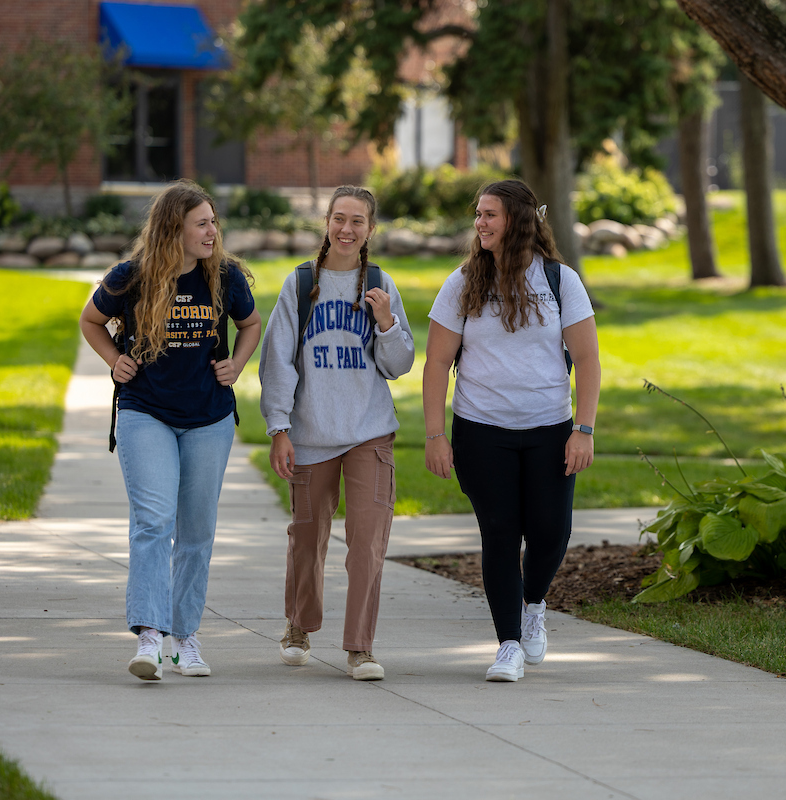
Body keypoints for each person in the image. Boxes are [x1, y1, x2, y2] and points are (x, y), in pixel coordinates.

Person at [79, 179, 261, 681]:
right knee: (154, 521)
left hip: (209, 416)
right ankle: (151, 635)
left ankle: (185, 637)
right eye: (201, 223)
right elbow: (91, 320)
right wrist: (115, 360)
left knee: (197, 530)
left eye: (213, 222)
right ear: (172, 230)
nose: (212, 231)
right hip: (146, 412)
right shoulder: (130, 277)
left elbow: (251, 324)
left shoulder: (225, 277)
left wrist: (238, 364)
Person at [423, 179, 601, 682]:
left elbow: (586, 360)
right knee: (499, 533)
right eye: (478, 214)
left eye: (490, 215)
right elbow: (437, 363)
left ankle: (535, 602)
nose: (480, 223)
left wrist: (583, 429)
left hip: (550, 428)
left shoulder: (560, 280)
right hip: (481, 431)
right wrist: (436, 436)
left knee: (551, 531)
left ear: (518, 221)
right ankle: (508, 644)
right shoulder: (462, 282)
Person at [258, 186, 414, 681]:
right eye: (339, 219)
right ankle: (298, 627)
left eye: (358, 222)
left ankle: (360, 648)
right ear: (326, 222)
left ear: (371, 229)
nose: (347, 230)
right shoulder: (300, 284)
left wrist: (386, 322)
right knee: (307, 538)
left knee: (367, 541)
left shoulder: (380, 284)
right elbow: (278, 362)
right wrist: (279, 427)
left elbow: (399, 364)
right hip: (310, 432)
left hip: (369, 431)